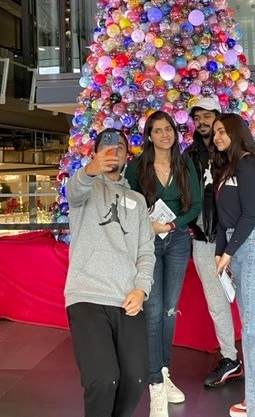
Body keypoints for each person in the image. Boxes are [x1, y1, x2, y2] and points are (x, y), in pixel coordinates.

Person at [65, 128, 155, 417]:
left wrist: (141, 289)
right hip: (87, 295)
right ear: (94, 152)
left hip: (127, 298)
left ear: (128, 155)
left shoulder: (138, 201)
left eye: (120, 146)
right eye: (107, 145)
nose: (113, 151)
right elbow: (74, 189)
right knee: (103, 379)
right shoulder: (85, 188)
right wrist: (90, 170)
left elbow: (146, 251)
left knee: (135, 379)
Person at [125, 110, 202, 417]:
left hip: (178, 241)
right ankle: (155, 382)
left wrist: (170, 226)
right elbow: (129, 204)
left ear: (175, 132)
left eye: (168, 129)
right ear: (149, 136)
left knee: (170, 310)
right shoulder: (137, 166)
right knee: (153, 311)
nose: (164, 135)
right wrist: (148, 224)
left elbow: (195, 205)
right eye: (157, 131)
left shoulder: (185, 164)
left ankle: (164, 371)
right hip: (147, 245)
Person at [211, 113, 255, 417]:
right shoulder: (228, 166)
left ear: (237, 132)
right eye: (215, 132)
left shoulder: (247, 164)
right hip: (239, 246)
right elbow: (224, 218)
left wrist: (228, 252)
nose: (217, 136)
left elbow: (251, 215)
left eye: (223, 131)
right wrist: (220, 250)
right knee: (254, 329)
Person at [185, 96, 243, 388]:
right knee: (217, 302)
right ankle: (230, 357)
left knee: (247, 298)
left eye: (207, 116)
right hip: (205, 240)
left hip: (236, 236)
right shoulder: (188, 155)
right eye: (197, 118)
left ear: (218, 117)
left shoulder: (232, 152)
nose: (202, 123)